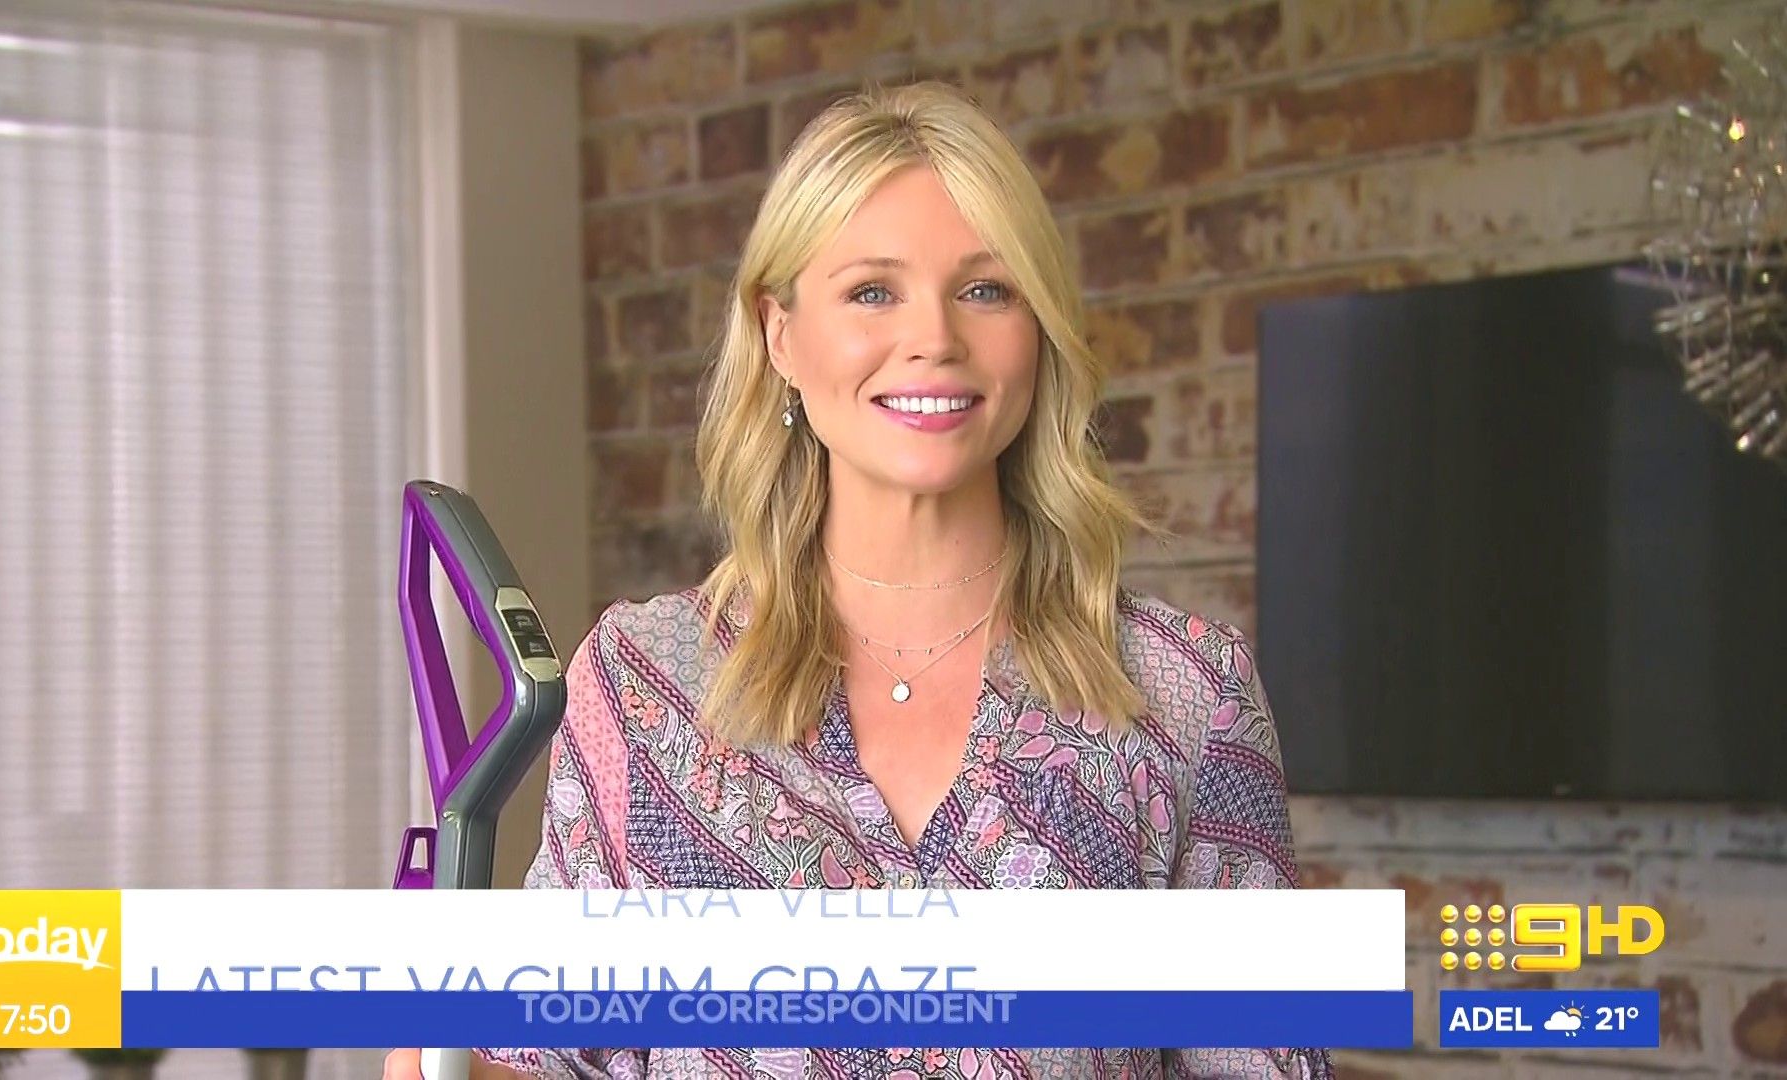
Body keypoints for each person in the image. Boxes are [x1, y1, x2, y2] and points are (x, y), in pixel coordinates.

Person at [386, 80, 1333, 1080]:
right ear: (780, 334)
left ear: (1039, 328)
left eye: (986, 289)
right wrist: (432, 1052)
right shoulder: (641, 685)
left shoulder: (1186, 695)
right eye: (873, 291)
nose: (935, 338)